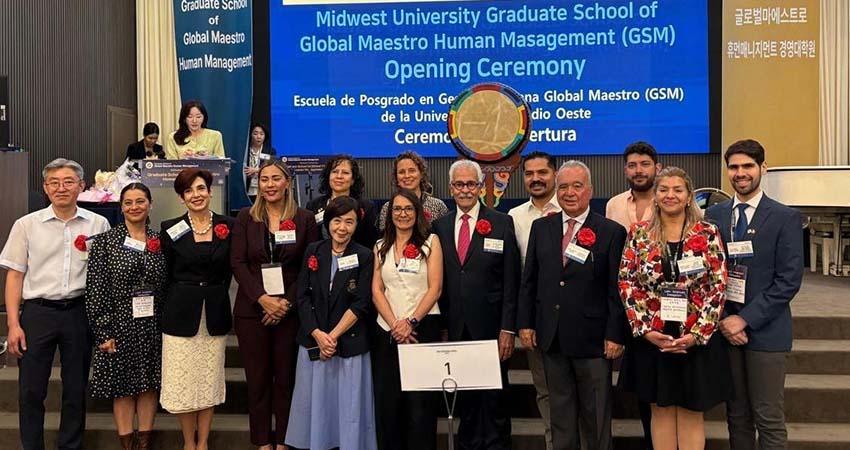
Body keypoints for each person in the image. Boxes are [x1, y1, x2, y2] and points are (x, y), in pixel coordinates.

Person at [1, 158, 110, 450]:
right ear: (45, 188)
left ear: (81, 186)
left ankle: (70, 446)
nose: (61, 188)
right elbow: (15, 276)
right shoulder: (26, 225)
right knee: (31, 390)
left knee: (76, 388)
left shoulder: (98, 224)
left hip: (79, 312)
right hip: (38, 313)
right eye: (54, 183)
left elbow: (103, 275)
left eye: (68, 182)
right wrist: (13, 324)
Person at [618, 166, 730, 450]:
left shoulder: (708, 232)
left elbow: (717, 285)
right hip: (654, 336)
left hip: (694, 336)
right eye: (664, 189)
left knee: (692, 412)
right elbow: (627, 282)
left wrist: (697, 334)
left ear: (689, 196)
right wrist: (645, 330)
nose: (670, 195)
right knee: (661, 409)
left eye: (678, 190)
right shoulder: (639, 233)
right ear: (655, 196)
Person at [518, 161, 626, 450]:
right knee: (561, 419)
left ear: (589, 190)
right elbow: (530, 280)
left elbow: (616, 289)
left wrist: (615, 334)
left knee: (596, 419)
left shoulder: (611, 231)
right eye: (563, 186)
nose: (569, 192)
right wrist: (525, 323)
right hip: (551, 338)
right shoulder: (541, 228)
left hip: (593, 340)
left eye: (577, 186)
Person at [705, 139, 804, 450]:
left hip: (767, 332)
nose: (740, 173)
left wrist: (744, 320)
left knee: (768, 418)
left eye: (748, 166)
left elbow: (788, 280)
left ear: (763, 168)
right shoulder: (714, 216)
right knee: (737, 416)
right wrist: (725, 319)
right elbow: (707, 275)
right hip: (725, 331)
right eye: (733, 167)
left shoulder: (785, 217)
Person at [431, 159, 520, 450]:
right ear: (450, 188)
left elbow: (511, 280)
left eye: (471, 184)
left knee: (495, 399)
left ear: (481, 187)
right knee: (465, 399)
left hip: (492, 327)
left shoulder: (501, 222)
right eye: (459, 184)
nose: (465, 190)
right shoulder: (439, 227)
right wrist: (441, 327)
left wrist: (508, 328)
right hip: (455, 327)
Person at [231, 159, 319, 450]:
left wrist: (285, 304)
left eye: (275, 179)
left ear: (287, 183)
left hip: (289, 312)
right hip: (251, 311)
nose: (269, 185)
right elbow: (238, 263)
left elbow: (309, 265)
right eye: (264, 179)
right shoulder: (246, 217)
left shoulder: (305, 218)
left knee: (285, 379)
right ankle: (261, 442)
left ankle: (283, 440)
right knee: (257, 381)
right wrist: (263, 299)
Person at [285, 196, 377, 450]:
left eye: (349, 222)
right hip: (314, 342)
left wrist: (332, 336)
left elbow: (361, 303)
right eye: (337, 221)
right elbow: (302, 296)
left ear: (356, 225)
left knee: (348, 408)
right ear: (327, 223)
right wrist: (317, 334)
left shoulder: (364, 255)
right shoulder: (314, 251)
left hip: (348, 343)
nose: (342, 228)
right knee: (317, 406)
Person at [85, 182, 166, 450]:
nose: (134, 207)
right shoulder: (106, 242)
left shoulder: (159, 241)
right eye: (128, 202)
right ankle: (128, 445)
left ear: (150, 204)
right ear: (121, 208)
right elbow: (96, 288)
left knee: (149, 385)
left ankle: (144, 444)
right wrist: (103, 331)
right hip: (118, 323)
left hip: (152, 323)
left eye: (140, 201)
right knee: (122, 387)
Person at [159, 168, 235, 450]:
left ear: (210, 192)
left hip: (214, 312)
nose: (196, 195)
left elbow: (231, 269)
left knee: (208, 381)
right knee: (183, 382)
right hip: (180, 313)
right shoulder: (170, 228)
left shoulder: (229, 225)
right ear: (182, 198)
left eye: (201, 188)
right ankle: (188, 442)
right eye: (188, 191)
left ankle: (203, 442)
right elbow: (165, 273)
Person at [371, 189, 443, 450]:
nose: (403, 214)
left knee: (420, 407)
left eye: (408, 209)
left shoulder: (431, 242)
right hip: (387, 332)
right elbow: (377, 289)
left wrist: (410, 322)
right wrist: (395, 325)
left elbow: (435, 288)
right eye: (397, 209)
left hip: (421, 329)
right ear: (390, 214)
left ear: (417, 213)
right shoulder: (380, 246)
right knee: (389, 405)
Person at [605, 141, 663, 450]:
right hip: (623, 304)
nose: (638, 171)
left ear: (657, 167)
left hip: (661, 310)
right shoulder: (614, 205)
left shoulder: (670, 199)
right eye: (632, 165)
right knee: (640, 383)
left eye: (644, 164)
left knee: (661, 384)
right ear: (625, 170)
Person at [507, 151, 560, 450]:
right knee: (545, 390)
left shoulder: (571, 210)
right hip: (535, 319)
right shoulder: (514, 218)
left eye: (542, 172)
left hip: (572, 318)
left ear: (555, 174)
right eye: (529, 174)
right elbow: (516, 276)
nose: (536, 178)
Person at [304, 154, 379, 248]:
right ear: (328, 176)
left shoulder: (366, 206)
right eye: (335, 171)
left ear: (353, 179)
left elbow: (371, 242)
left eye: (345, 173)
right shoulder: (313, 205)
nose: (339, 176)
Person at [377, 151, 449, 230]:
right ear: (396, 178)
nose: (407, 176)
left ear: (421, 174)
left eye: (412, 171)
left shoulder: (438, 206)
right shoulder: (388, 208)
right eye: (401, 172)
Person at [244, 122, 276, 203]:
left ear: (265, 136)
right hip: (248, 188)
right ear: (250, 135)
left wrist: (256, 170)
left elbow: (273, 167)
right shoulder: (245, 151)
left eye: (261, 134)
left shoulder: (270, 151)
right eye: (255, 134)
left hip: (263, 188)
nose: (258, 137)